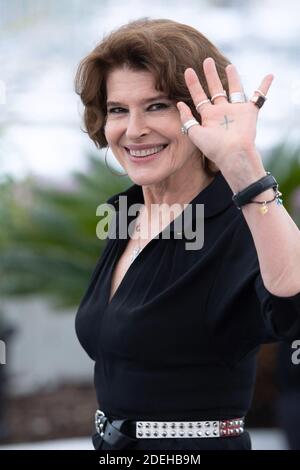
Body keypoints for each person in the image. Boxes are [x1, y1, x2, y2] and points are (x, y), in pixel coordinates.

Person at [74, 18, 300, 451]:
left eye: (157, 106)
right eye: (119, 109)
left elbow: (294, 308)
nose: (134, 129)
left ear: (201, 115)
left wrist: (244, 168)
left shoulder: (241, 222)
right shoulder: (126, 211)